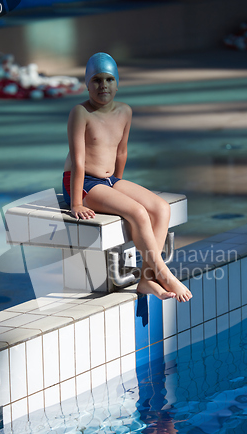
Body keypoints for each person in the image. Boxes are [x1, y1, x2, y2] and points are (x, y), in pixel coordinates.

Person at [63, 52, 192, 302]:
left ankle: (146, 280)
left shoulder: (125, 111)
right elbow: (78, 161)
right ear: (87, 84)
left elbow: (121, 151)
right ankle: (164, 274)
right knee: (138, 213)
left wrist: (116, 186)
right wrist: (76, 202)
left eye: (109, 80)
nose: (103, 86)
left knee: (161, 208)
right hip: (83, 183)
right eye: (96, 80)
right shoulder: (80, 113)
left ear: (117, 83)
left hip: (108, 181)